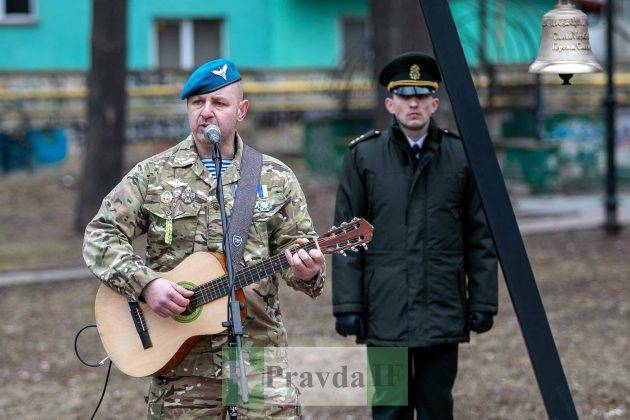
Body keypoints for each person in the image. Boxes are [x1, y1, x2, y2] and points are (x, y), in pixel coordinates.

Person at [83, 58, 325, 418]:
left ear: (241, 110)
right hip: (182, 368)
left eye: (219, 103)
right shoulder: (152, 174)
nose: (206, 112)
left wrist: (307, 272)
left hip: (257, 358)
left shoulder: (276, 178)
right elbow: (100, 235)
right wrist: (146, 285)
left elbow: (297, 254)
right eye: (198, 102)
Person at [332, 52, 498, 419]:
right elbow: (345, 238)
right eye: (405, 96)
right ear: (390, 103)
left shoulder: (460, 155)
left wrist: (483, 301)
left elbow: (480, 235)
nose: (413, 103)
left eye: (422, 96)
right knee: (390, 405)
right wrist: (348, 305)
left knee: (437, 403)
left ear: (435, 102)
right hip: (385, 306)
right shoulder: (364, 156)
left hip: (441, 302)